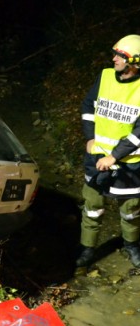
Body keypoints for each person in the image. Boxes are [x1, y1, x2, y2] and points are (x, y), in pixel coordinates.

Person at [77, 34, 140, 268]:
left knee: (131, 212)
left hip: (131, 164)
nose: (114, 59)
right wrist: (90, 138)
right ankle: (87, 249)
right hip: (96, 159)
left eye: (120, 56)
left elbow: (139, 132)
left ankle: (132, 246)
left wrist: (115, 155)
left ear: (134, 62)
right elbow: (87, 106)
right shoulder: (104, 76)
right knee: (92, 207)